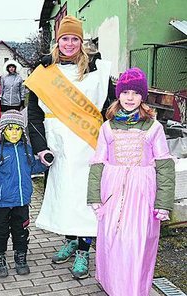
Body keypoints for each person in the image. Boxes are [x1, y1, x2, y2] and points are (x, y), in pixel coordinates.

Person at [24, 15, 116, 279]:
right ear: (58, 41)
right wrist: (40, 147)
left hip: (89, 144)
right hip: (58, 145)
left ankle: (84, 251)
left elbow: (110, 106)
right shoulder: (44, 73)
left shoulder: (96, 71)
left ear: (81, 41)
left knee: (86, 198)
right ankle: (71, 240)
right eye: (65, 38)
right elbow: (34, 114)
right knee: (64, 195)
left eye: (75, 38)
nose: (69, 43)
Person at [87, 68, 175, 296]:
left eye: (135, 93)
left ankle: (134, 289)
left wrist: (163, 203)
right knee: (112, 240)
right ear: (118, 95)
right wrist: (94, 196)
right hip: (113, 193)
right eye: (124, 92)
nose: (129, 98)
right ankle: (113, 286)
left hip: (142, 195)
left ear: (142, 96)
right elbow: (97, 162)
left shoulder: (154, 128)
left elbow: (164, 166)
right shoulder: (107, 127)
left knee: (137, 243)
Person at [0, 110, 48, 278]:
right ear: (2, 130)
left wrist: (45, 163)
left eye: (18, 129)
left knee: (21, 230)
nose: (14, 133)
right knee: (0, 231)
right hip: (1, 202)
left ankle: (20, 256)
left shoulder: (26, 149)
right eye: (10, 129)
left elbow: (32, 167)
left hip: (21, 201)